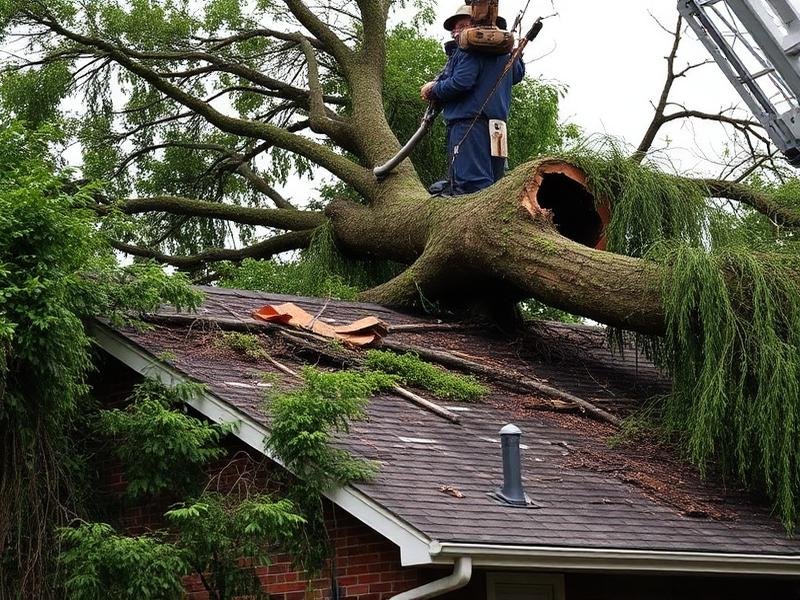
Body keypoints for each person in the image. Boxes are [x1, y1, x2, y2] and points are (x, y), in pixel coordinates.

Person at [421, 5, 525, 196]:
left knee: (472, 187)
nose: (455, 31)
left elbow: (461, 82)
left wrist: (433, 90)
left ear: (474, 23)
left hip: (469, 125)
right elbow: (517, 75)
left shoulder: (471, 48)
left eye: (461, 25)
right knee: (494, 187)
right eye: (454, 27)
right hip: (497, 128)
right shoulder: (505, 52)